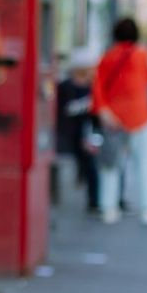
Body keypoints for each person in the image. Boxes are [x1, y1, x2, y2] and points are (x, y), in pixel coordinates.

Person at [91, 17, 147, 226]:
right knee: (143, 164)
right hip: (139, 117)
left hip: (113, 119)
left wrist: (104, 111)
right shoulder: (142, 55)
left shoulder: (107, 57)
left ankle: (108, 209)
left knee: (111, 165)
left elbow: (98, 87)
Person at [56, 49, 99, 214]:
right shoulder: (65, 87)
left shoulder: (93, 87)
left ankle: (94, 201)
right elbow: (62, 111)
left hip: (86, 133)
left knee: (92, 165)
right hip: (67, 134)